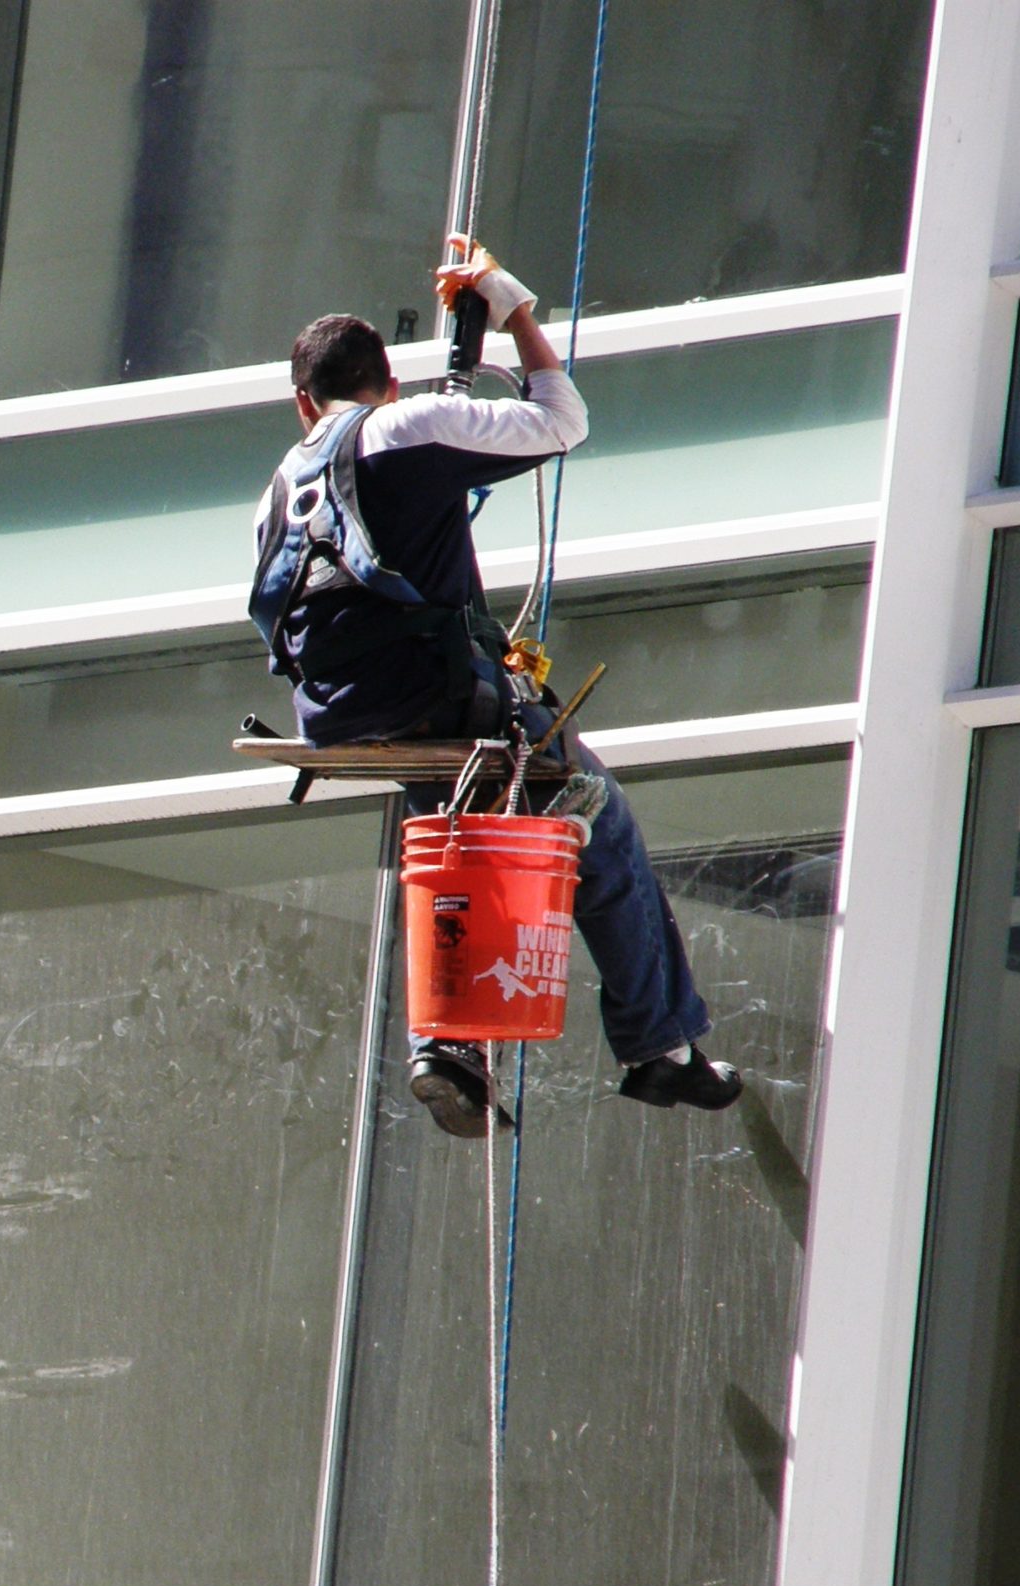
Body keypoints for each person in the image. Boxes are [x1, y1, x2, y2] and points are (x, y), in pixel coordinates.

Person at [251, 240, 743, 1137]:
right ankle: (659, 1048)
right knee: (594, 812)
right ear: (384, 385)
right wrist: (511, 307)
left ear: (301, 402)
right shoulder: (402, 430)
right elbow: (563, 420)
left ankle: (451, 1051)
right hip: (436, 697)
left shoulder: (285, 484)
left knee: (461, 847)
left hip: (342, 712)